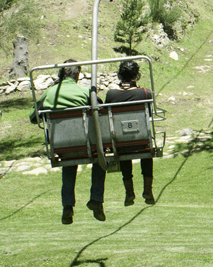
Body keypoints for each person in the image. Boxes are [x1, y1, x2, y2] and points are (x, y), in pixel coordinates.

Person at [31, 59, 106, 225]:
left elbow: (33, 116)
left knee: (68, 163)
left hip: (62, 146)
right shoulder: (85, 92)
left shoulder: (50, 93)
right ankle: (96, 199)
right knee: (100, 159)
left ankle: (67, 206)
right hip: (86, 144)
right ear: (77, 75)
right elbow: (101, 109)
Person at [105, 60, 156, 206]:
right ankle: (147, 189)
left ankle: (129, 192)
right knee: (145, 148)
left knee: (123, 147)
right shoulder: (145, 93)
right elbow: (149, 115)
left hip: (120, 142)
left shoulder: (111, 95)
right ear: (136, 75)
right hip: (141, 140)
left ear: (120, 76)